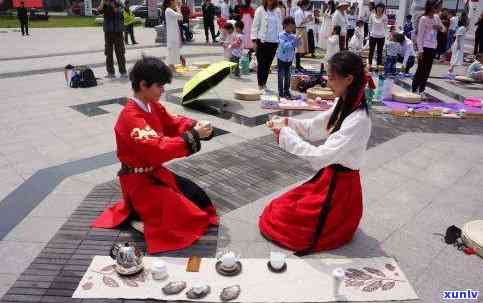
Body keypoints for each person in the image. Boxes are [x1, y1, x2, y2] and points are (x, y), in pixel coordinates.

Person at [92, 56, 218, 254]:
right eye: (160, 85)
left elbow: (173, 123)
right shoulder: (130, 117)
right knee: (188, 217)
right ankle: (137, 216)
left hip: (154, 173)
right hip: (137, 181)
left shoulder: (151, 105)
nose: (163, 90)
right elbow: (156, 149)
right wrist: (193, 136)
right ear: (143, 85)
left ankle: (141, 215)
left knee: (199, 199)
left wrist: (195, 126)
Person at [259, 51, 373, 255]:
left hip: (341, 191)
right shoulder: (345, 102)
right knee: (279, 209)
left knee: (288, 224)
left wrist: (284, 134)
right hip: (329, 178)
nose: (328, 83)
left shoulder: (359, 120)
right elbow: (315, 127)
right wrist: (286, 122)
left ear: (348, 79)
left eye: (331, 78)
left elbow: (320, 157)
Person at [412, 0, 443, 99]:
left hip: (432, 47)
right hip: (424, 48)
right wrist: (420, 50)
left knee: (427, 70)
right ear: (430, 7)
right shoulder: (423, 19)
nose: (437, 9)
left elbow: (444, 29)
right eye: (436, 7)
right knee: (421, 69)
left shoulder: (437, 17)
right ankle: (414, 88)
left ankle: (422, 90)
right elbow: (419, 36)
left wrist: (439, 27)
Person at [251, 0, 282, 91]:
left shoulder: (278, 11)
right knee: (261, 64)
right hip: (262, 41)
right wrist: (253, 40)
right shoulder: (260, 10)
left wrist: (280, 39)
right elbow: (255, 26)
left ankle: (264, 83)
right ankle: (260, 84)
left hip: (274, 41)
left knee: (268, 64)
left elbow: (280, 26)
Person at [98, 0, 127, 78]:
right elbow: (99, 11)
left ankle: (123, 71)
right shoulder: (104, 3)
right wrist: (103, 3)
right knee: (108, 53)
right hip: (108, 32)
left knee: (120, 52)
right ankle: (110, 72)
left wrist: (113, 5)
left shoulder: (119, 3)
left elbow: (122, 13)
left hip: (118, 32)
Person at [277, 16, 300, 98]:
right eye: (289, 26)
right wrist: (294, 41)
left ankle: (286, 91)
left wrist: (298, 40)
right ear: (285, 25)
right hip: (281, 59)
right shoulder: (281, 35)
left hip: (289, 59)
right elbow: (284, 46)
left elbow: (297, 45)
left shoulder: (293, 36)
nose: (291, 28)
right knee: (281, 76)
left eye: (292, 26)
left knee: (288, 76)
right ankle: (280, 92)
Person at [163, 0, 183, 72]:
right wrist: (178, 7)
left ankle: (172, 66)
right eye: (175, 2)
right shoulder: (168, 10)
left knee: (174, 51)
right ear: (171, 2)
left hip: (174, 35)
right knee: (172, 51)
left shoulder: (170, 10)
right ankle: (170, 66)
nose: (175, 3)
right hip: (172, 36)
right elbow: (180, 17)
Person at [367, 3, 387, 70]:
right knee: (371, 50)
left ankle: (378, 65)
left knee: (379, 51)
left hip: (381, 37)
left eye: (381, 8)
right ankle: (369, 64)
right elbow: (369, 24)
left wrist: (383, 33)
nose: (380, 9)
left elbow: (385, 27)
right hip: (373, 36)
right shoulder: (372, 15)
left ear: (383, 9)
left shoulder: (385, 17)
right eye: (379, 7)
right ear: (376, 8)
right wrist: (370, 32)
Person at [294, 0, 312, 69]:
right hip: (300, 30)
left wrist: (309, 19)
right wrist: (307, 19)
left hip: (303, 29)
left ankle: (298, 64)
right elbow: (298, 23)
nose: (308, 6)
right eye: (307, 5)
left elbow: (304, 22)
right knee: (299, 49)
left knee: (301, 49)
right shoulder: (298, 12)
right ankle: (297, 64)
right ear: (304, 5)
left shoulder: (302, 12)